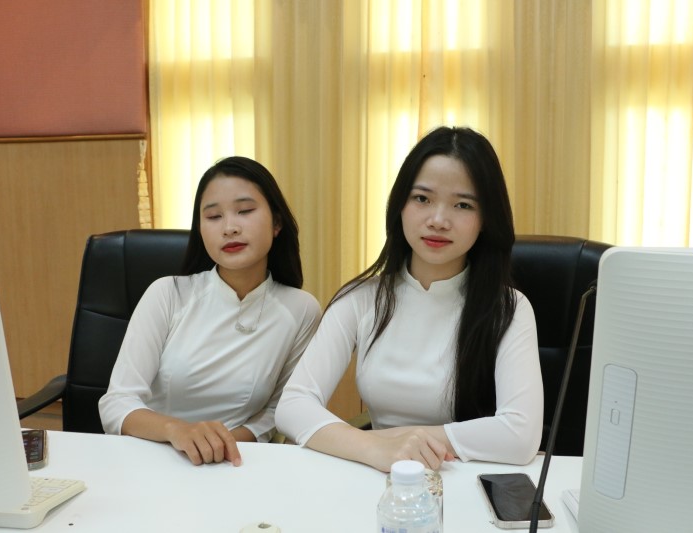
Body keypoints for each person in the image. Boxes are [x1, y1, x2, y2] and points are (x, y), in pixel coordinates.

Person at [275, 126, 542, 472]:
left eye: (462, 204)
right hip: (380, 475)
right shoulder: (361, 300)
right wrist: (373, 448)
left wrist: (399, 440)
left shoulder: (509, 308)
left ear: (486, 220)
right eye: (422, 199)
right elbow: (293, 406)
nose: (438, 220)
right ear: (399, 205)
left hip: (464, 478)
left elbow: (520, 436)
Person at [99, 156, 321, 466]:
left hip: (236, 460)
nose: (230, 228)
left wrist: (219, 445)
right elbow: (117, 403)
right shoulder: (168, 293)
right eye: (214, 216)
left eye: (245, 211)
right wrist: (178, 431)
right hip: (154, 455)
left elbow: (279, 410)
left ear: (277, 223)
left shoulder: (301, 309)